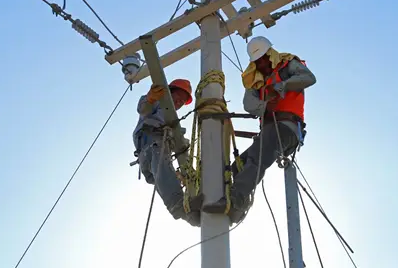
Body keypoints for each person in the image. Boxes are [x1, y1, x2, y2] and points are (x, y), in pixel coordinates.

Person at [203, 36, 316, 217]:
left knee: (256, 158)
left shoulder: (287, 65)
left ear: (271, 55)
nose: (262, 64)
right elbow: (248, 103)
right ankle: (234, 206)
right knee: (238, 166)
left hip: (286, 128)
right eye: (258, 61)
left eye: (264, 59)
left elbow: (309, 78)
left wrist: (280, 86)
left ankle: (235, 201)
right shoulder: (255, 79)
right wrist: (264, 106)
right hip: (270, 130)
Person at [133, 79, 201, 226]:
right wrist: (150, 98)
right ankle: (178, 205)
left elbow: (179, 145)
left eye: (183, 101)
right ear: (170, 92)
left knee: (162, 173)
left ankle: (188, 211)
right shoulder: (158, 102)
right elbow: (143, 109)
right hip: (150, 146)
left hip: (155, 156)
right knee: (160, 163)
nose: (180, 102)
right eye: (178, 97)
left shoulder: (172, 121)